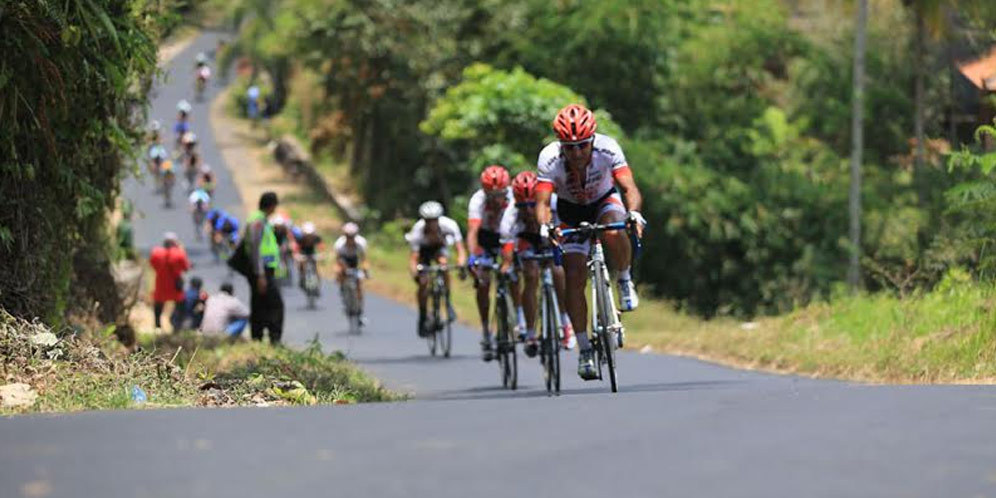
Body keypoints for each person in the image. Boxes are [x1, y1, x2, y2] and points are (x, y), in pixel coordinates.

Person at [535, 104, 647, 380]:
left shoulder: (608, 149)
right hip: (569, 210)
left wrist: (634, 213)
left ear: (592, 141)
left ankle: (623, 278)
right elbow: (542, 202)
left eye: (582, 146)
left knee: (612, 230)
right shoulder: (549, 158)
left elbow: (629, 187)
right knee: (573, 274)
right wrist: (545, 226)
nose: (576, 153)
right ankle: (585, 348)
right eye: (569, 148)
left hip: (603, 201)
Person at [499, 170, 576, 357]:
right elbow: (508, 245)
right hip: (526, 239)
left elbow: (569, 228)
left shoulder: (555, 202)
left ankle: (566, 323)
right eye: (522, 205)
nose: (527, 210)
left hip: (551, 234)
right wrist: (507, 264)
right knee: (531, 275)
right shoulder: (510, 213)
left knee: (558, 270)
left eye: (532, 204)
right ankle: (531, 333)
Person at [466, 165, 515, 360]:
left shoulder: (513, 197)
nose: (496, 199)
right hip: (485, 238)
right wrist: (472, 257)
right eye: (491, 195)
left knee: (514, 273)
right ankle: (486, 329)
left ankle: (517, 317)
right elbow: (472, 232)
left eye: (500, 194)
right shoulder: (477, 200)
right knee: (483, 282)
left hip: (508, 237)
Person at [406, 201, 467, 338]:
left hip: (440, 249)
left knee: (443, 264)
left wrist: (461, 264)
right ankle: (422, 316)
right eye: (428, 221)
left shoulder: (450, 225)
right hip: (423, 252)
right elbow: (414, 258)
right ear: (424, 220)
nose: (431, 224)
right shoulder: (417, 230)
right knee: (423, 283)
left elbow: (460, 249)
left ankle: (447, 299)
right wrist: (416, 273)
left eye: (434, 220)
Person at [244, 192, 284, 344]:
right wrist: (260, 274)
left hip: (264, 270)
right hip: (262, 271)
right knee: (275, 305)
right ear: (272, 205)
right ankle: (273, 338)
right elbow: (255, 247)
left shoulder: (262, 220)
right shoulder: (258, 221)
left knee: (261, 304)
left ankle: (258, 337)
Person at [148, 232, 191, 332]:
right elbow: (186, 267)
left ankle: (158, 326)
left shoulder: (156, 252)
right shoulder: (179, 253)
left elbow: (152, 265)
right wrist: (181, 250)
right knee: (181, 305)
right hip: (174, 286)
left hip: (160, 284)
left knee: (158, 305)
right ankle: (178, 326)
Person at [333, 222, 369, 321]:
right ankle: (343, 293)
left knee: (360, 284)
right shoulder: (339, 244)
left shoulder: (361, 243)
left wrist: (365, 270)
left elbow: (364, 259)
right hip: (344, 263)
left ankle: (360, 308)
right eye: (348, 236)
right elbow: (337, 261)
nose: (350, 239)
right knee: (339, 274)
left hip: (355, 263)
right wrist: (338, 272)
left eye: (352, 236)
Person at [295, 221, 325, 287]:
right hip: (303, 253)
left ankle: (318, 280)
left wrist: (322, 254)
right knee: (301, 265)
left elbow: (321, 246)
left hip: (312, 253)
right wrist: (296, 255)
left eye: (310, 235)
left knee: (316, 266)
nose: (309, 237)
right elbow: (296, 248)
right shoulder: (300, 238)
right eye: (307, 235)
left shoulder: (316, 238)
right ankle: (302, 276)